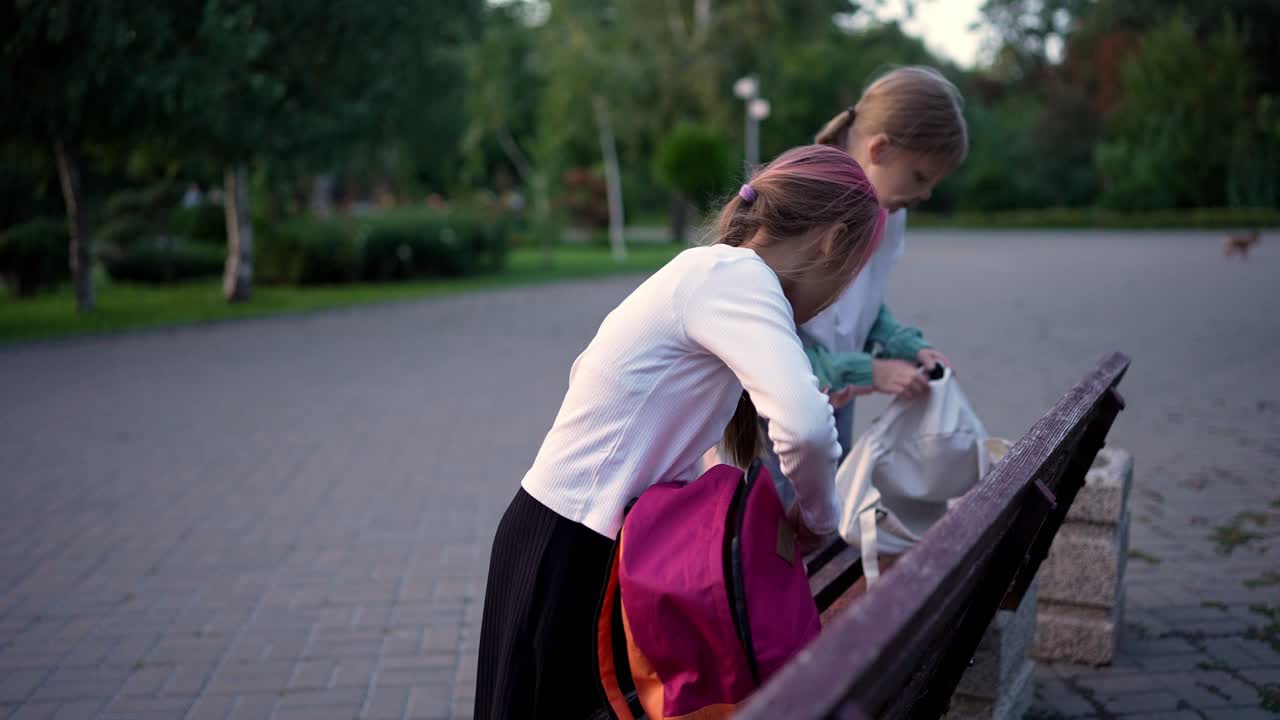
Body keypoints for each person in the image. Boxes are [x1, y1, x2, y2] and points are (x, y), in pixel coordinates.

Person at [475, 145, 886, 718]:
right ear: (830, 241)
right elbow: (807, 428)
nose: (833, 303)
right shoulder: (736, 278)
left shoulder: (718, 272)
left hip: (576, 540)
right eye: (847, 280)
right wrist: (817, 520)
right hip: (570, 548)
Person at [746, 66, 970, 511]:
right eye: (921, 177)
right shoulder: (812, 204)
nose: (924, 195)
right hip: (770, 418)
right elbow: (764, 343)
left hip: (834, 400)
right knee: (771, 539)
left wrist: (903, 345)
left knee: (823, 523)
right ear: (880, 149)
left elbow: (860, 304)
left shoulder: (888, 213)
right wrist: (870, 372)